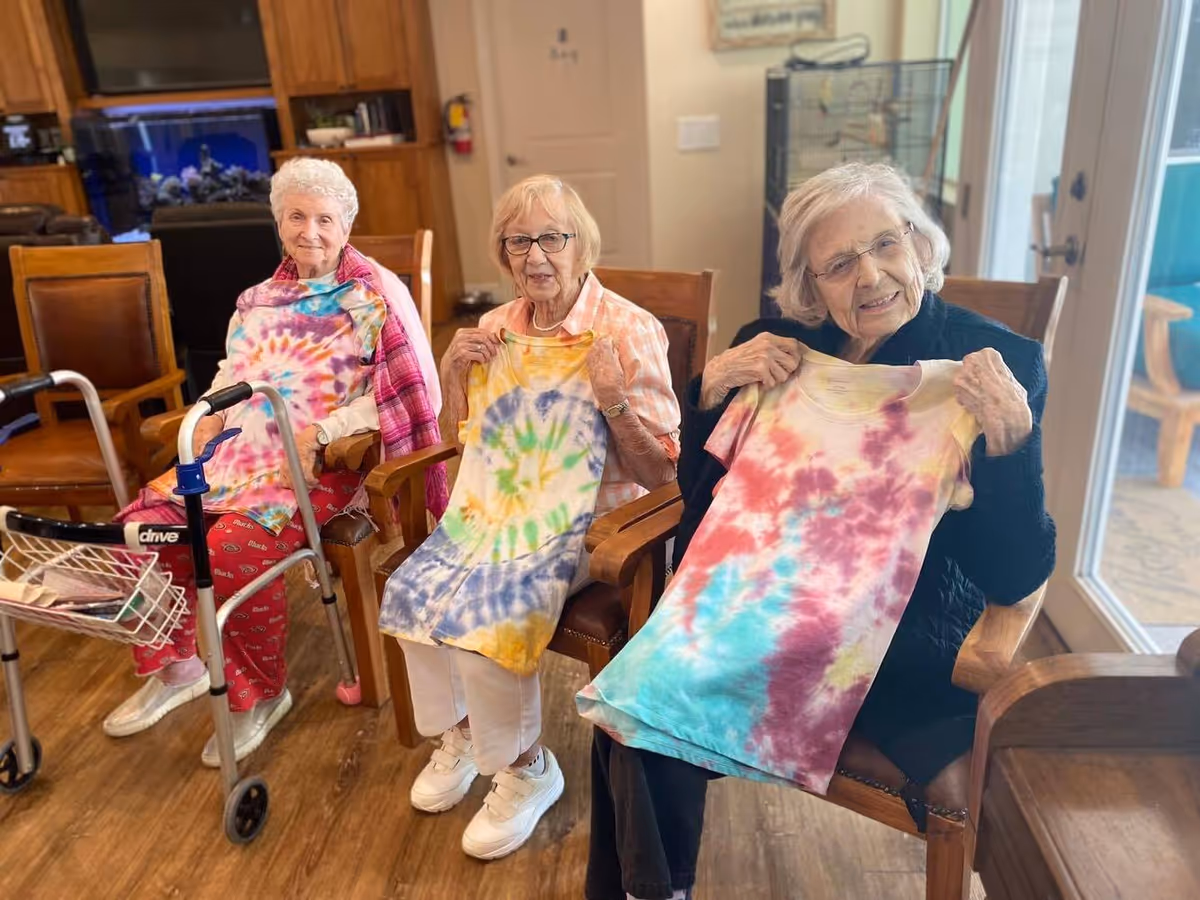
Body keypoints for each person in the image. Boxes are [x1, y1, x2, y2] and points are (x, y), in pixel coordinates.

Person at [582, 161, 1058, 900]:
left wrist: (1010, 447)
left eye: (886, 245)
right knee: (633, 701)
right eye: (839, 264)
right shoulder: (776, 346)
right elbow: (704, 503)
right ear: (810, 283)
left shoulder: (992, 367)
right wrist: (710, 391)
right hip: (757, 613)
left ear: (919, 245)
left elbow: (1016, 574)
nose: (870, 277)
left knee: (648, 696)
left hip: (890, 636)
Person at [102, 157, 447, 766]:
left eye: (323, 218)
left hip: (313, 465)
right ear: (278, 223)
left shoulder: (374, 297)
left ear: (346, 226)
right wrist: (207, 410)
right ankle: (178, 665)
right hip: (234, 454)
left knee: (231, 549)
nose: (309, 230)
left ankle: (257, 694)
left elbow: (413, 392)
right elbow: (234, 370)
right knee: (138, 530)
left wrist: (324, 431)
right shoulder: (258, 299)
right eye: (295, 216)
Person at [379, 174, 681, 860]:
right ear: (503, 252)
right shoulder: (495, 328)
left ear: (581, 244)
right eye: (519, 241)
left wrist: (613, 401)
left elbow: (665, 473)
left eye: (551, 237)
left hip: (590, 527)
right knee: (409, 590)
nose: (535, 255)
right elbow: (465, 445)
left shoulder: (629, 330)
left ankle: (525, 770)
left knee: (488, 610)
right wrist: (454, 375)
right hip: (496, 512)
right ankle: (459, 735)